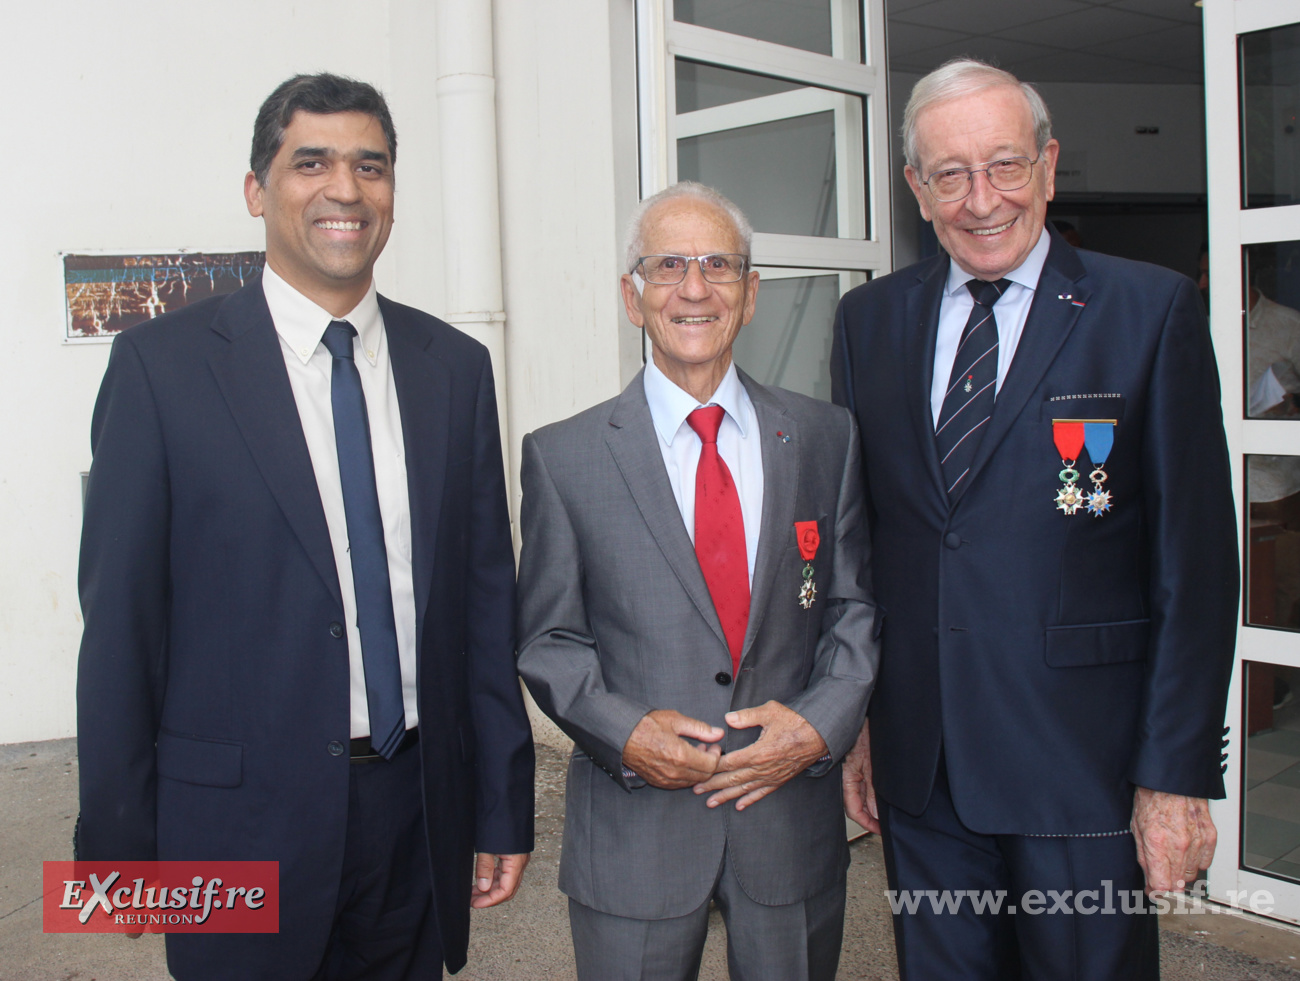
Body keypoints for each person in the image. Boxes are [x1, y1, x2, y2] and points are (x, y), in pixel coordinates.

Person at [76, 73, 534, 981]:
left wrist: (499, 806)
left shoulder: (455, 369)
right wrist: (117, 854)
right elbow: (122, 627)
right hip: (235, 830)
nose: (345, 189)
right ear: (257, 189)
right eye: (310, 162)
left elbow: (485, 608)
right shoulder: (160, 370)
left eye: (371, 165)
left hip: (414, 813)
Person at [832, 59, 1238, 980]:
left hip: (1082, 775)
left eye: (1006, 166)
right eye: (951, 174)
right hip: (925, 774)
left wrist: (1172, 776)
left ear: (1050, 167)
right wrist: (861, 721)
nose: (982, 200)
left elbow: (1196, 567)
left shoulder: (1149, 310)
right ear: (916, 189)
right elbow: (865, 545)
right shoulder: (868, 322)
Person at [516, 181, 880, 981]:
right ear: (631, 294)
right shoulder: (563, 457)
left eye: (719, 265)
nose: (693, 287)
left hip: (786, 823)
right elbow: (550, 639)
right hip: (635, 832)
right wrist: (626, 732)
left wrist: (819, 727)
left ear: (750, 296)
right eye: (667, 265)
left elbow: (853, 609)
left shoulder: (825, 436)